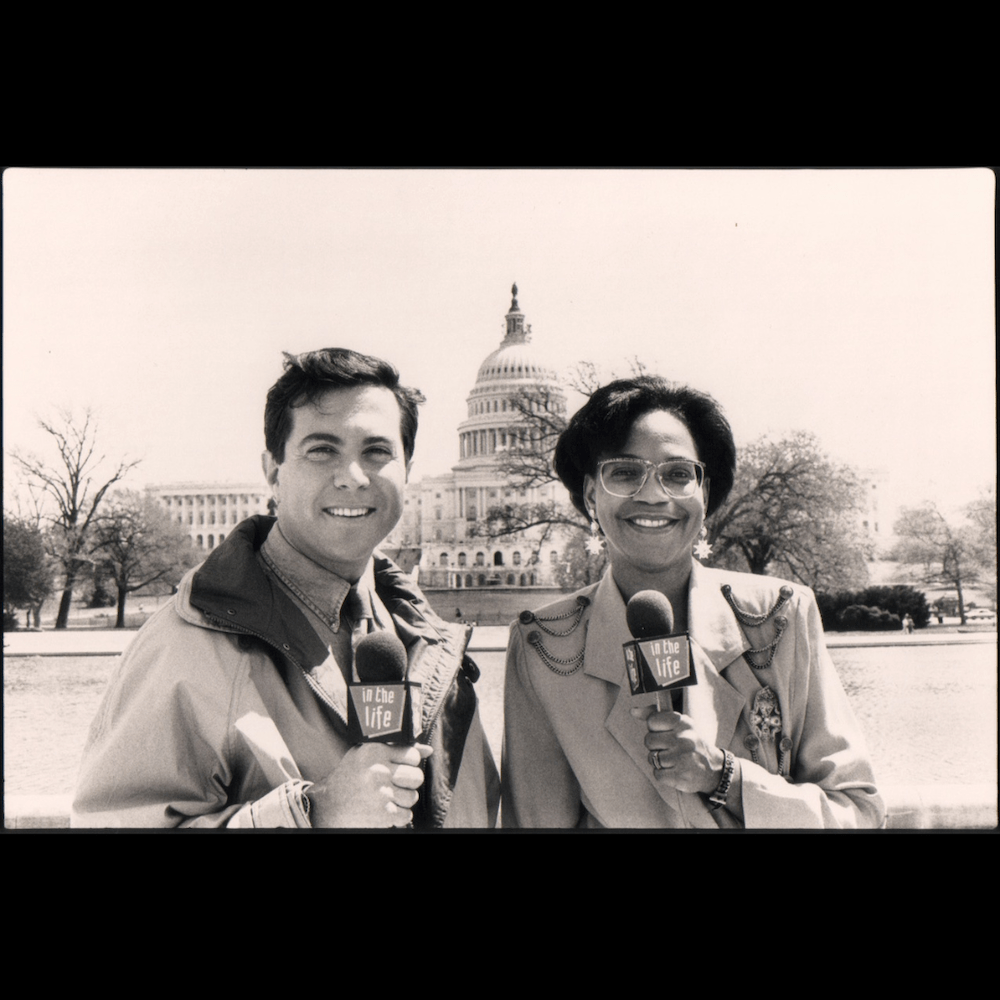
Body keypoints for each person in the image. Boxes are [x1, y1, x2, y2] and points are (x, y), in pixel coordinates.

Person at [73, 348, 500, 829]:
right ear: (273, 471)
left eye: (377, 452)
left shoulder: (433, 645)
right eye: (322, 450)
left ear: (407, 470)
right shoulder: (185, 648)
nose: (353, 477)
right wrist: (311, 814)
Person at [502, 376, 884, 829]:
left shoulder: (780, 617)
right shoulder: (545, 647)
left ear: (705, 494)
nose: (653, 494)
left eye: (678, 474)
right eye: (624, 472)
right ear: (590, 495)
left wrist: (724, 776)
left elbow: (858, 813)